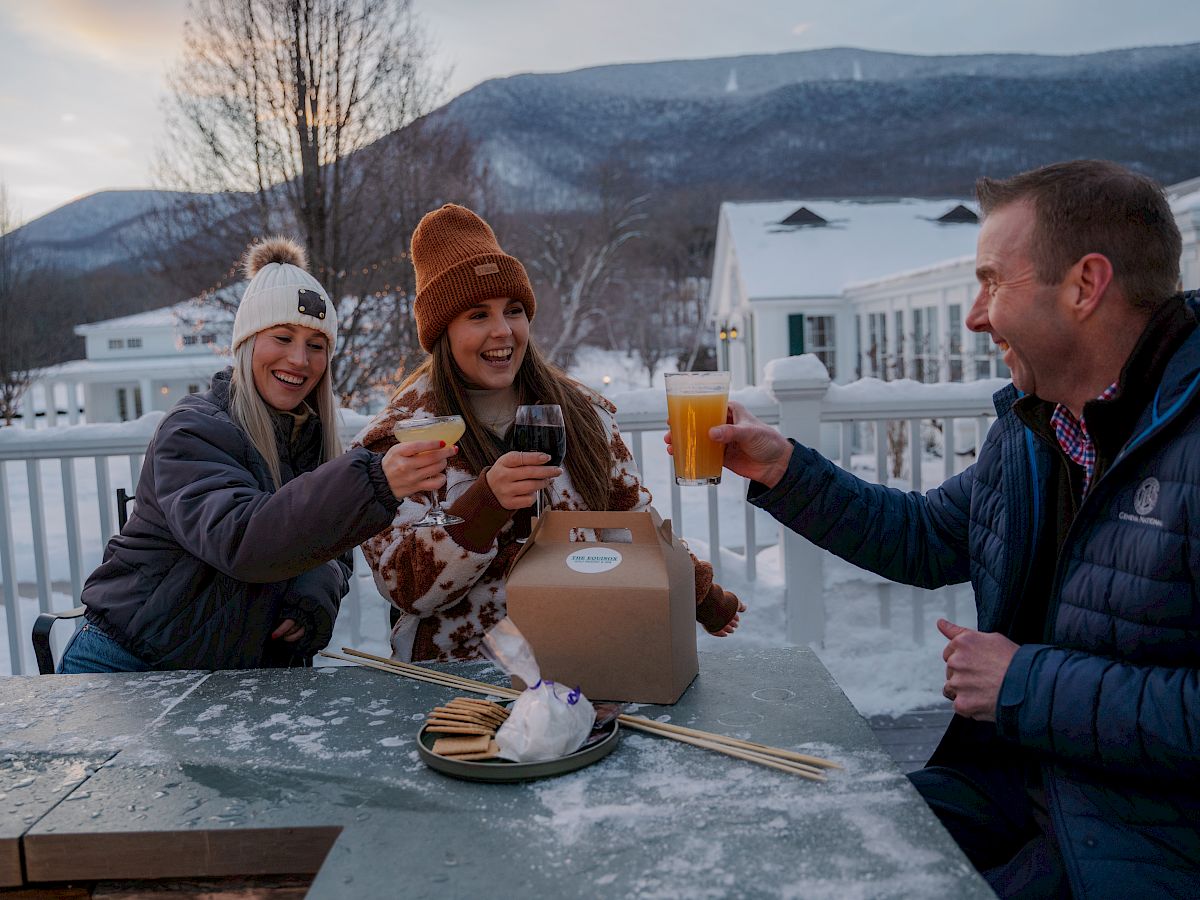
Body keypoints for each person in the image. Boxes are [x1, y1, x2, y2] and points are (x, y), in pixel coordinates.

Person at [674, 160, 1199, 897]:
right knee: (809, 849)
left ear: (1086, 286)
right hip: (1022, 782)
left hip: (1146, 836)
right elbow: (924, 536)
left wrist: (1026, 684)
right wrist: (782, 469)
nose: (974, 316)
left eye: (992, 281)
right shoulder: (1032, 431)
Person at [353, 203, 744, 662]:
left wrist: (700, 592)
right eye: (478, 315)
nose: (502, 331)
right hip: (457, 678)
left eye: (513, 310)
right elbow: (406, 588)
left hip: (578, 660)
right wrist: (485, 505)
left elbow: (632, 518)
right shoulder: (401, 436)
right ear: (442, 331)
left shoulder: (582, 412)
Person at [60, 237, 454, 673]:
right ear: (247, 343)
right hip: (125, 665)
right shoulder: (193, 430)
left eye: (316, 345)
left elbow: (330, 549)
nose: (299, 359)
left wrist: (310, 599)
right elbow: (243, 539)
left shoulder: (310, 437)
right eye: (282, 337)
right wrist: (372, 481)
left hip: (232, 676)